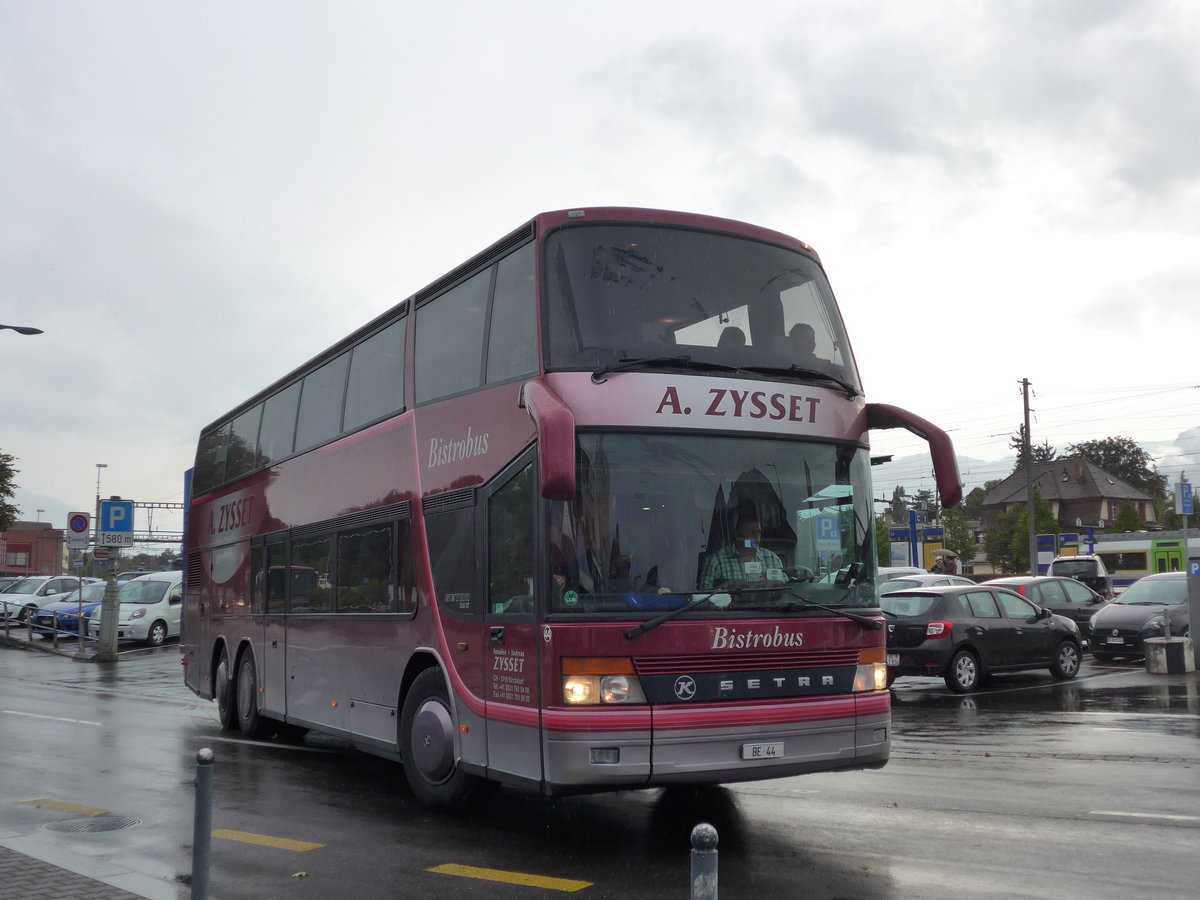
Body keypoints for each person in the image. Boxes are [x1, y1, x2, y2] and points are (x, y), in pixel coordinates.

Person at [700, 517, 785, 589]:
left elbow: (784, 585)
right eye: (751, 532)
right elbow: (704, 596)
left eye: (758, 532)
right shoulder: (715, 561)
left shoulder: (772, 559)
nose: (756, 537)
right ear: (738, 535)